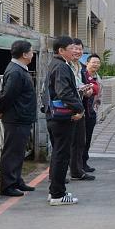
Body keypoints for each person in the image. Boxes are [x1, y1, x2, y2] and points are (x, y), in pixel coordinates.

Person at [0, 40, 36, 197]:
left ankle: (17, 180)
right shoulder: (15, 71)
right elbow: (8, 95)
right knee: (12, 152)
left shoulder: (19, 69)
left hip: (21, 116)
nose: (32, 54)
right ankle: (8, 186)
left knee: (18, 151)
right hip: (16, 117)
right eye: (31, 52)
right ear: (24, 54)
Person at [46, 36, 85, 206]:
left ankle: (56, 190)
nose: (75, 51)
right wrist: (79, 108)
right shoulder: (61, 67)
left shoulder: (56, 64)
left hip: (55, 116)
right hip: (62, 118)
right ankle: (57, 194)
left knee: (58, 154)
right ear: (61, 50)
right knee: (62, 155)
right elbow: (63, 92)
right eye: (71, 48)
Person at [68, 38, 94, 181]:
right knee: (67, 144)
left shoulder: (79, 66)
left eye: (80, 49)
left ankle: (77, 171)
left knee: (79, 141)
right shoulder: (65, 66)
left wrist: (86, 90)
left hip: (79, 107)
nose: (77, 51)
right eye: (74, 48)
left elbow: (79, 84)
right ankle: (57, 176)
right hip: (69, 110)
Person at [82, 53, 102, 173]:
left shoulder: (97, 77)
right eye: (93, 62)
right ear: (87, 63)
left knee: (88, 139)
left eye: (98, 62)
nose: (95, 64)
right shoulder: (83, 76)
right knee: (81, 140)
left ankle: (84, 162)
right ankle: (78, 164)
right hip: (82, 112)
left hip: (91, 112)